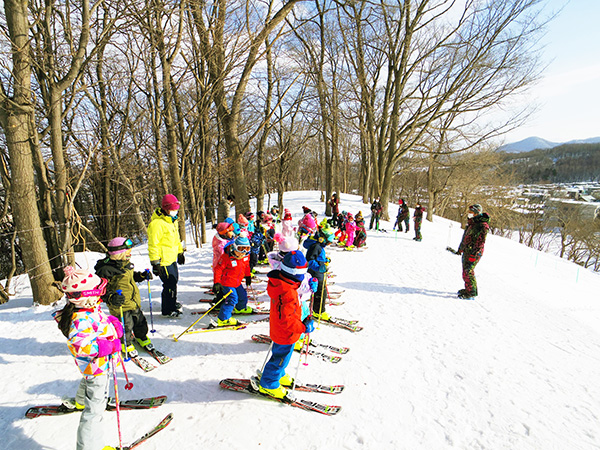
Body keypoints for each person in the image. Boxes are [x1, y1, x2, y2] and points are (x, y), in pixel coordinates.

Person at [53, 266, 123, 450]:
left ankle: (79, 400)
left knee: (88, 382)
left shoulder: (90, 309)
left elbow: (98, 323)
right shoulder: (80, 320)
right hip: (97, 366)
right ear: (88, 295)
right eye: (99, 290)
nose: (101, 294)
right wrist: (108, 346)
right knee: (94, 412)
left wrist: (112, 323)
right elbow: (82, 346)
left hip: (95, 368)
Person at [256, 251, 315, 400]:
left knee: (280, 355)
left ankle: (280, 375)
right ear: (295, 274)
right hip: (286, 334)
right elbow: (287, 321)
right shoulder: (287, 293)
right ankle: (268, 384)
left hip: (281, 331)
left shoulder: (283, 284)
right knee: (280, 359)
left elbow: (290, 312)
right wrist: (303, 328)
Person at [95, 237, 154, 359]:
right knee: (125, 326)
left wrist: (142, 276)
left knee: (140, 321)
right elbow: (99, 289)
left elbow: (130, 278)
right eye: (127, 251)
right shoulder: (106, 270)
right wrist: (111, 297)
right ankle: (125, 343)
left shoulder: (126, 265)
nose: (130, 253)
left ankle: (141, 336)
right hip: (120, 305)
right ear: (119, 253)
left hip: (133, 301)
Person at [147, 194, 185, 317]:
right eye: (173, 209)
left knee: (174, 282)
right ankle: (168, 309)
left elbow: (176, 239)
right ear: (166, 208)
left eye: (176, 209)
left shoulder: (171, 221)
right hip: (163, 261)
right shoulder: (157, 224)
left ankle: (172, 303)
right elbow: (154, 244)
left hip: (171, 258)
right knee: (169, 284)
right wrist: (155, 262)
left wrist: (180, 252)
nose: (175, 211)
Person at [213, 234, 253, 326]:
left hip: (237, 282)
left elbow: (246, 266)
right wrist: (217, 282)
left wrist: (248, 276)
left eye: (247, 249)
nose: (243, 252)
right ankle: (223, 319)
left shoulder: (244, 257)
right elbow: (218, 269)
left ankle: (240, 308)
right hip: (226, 283)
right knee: (232, 299)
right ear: (235, 248)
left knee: (242, 295)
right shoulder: (226, 257)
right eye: (241, 248)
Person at [456, 204, 490, 299]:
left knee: (468, 271)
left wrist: (474, 254)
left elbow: (481, 242)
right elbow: (465, 237)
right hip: (467, 250)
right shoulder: (472, 223)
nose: (469, 214)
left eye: (471, 212)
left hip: (474, 252)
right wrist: (460, 248)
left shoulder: (482, 225)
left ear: (476, 213)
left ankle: (472, 293)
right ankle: (468, 289)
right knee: (465, 272)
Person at [303, 223, 334, 320]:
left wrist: (324, 260)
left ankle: (315, 309)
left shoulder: (318, 246)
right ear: (322, 238)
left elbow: (317, 257)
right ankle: (318, 312)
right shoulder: (316, 246)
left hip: (319, 273)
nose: (328, 244)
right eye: (328, 242)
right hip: (315, 273)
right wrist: (319, 268)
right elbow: (310, 260)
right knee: (320, 293)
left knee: (320, 292)